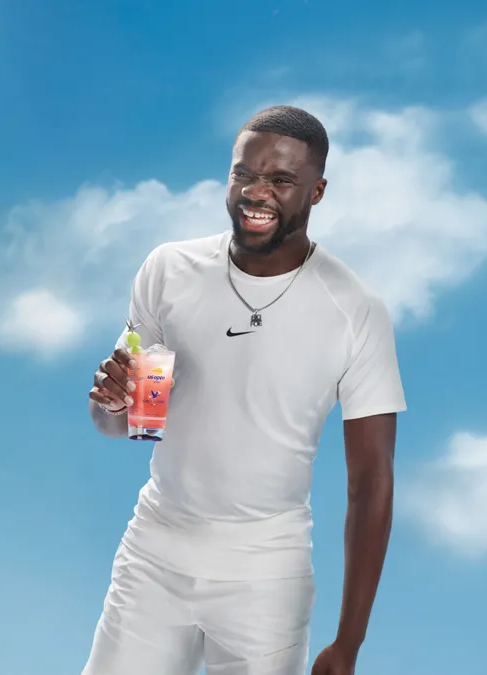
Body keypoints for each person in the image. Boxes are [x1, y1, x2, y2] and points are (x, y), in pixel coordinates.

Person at [82, 105, 405, 675]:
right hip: (155, 550)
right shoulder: (168, 270)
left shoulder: (355, 311)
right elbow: (136, 423)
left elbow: (372, 482)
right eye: (243, 174)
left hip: (266, 571)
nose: (256, 193)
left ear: (318, 190)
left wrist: (348, 643)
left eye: (281, 180)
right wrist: (113, 404)